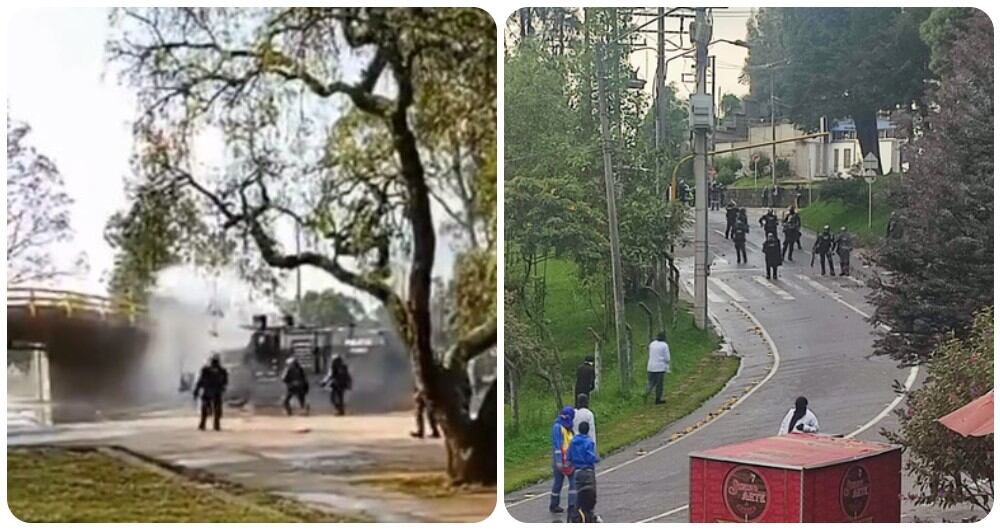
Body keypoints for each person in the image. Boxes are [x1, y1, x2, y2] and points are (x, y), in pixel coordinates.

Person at [567, 421, 600, 523]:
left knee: (579, 494)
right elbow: (590, 456)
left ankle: (577, 515)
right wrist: (596, 458)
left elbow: (569, 456)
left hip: (577, 471)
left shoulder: (573, 442)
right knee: (590, 494)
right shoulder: (588, 442)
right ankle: (590, 515)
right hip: (588, 470)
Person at [550, 406, 576, 514]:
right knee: (558, 483)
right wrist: (559, 461)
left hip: (569, 460)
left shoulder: (569, 428)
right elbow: (557, 445)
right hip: (560, 460)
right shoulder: (557, 427)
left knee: (573, 483)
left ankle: (572, 504)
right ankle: (554, 504)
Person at [193, 354, 228, 431]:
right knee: (206, 410)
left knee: (215, 410)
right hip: (210, 392)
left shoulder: (221, 371)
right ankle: (205, 424)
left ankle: (213, 424)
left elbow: (225, 382)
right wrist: (196, 390)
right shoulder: (208, 370)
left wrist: (196, 391)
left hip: (213, 392)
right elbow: (201, 381)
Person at [645, 332, 671, 405]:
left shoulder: (652, 344)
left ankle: (646, 392)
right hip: (660, 367)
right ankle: (658, 399)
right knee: (659, 384)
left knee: (651, 382)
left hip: (650, 366)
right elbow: (667, 358)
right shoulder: (664, 345)